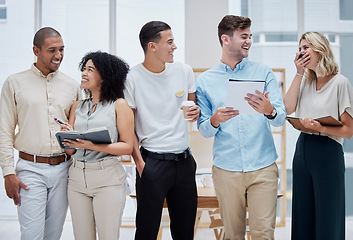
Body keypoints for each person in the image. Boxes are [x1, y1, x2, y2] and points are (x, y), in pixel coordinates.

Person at [196, 15, 286, 239]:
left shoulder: (263, 72)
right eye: (243, 36)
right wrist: (215, 119)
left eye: (250, 36)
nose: (249, 42)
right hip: (227, 170)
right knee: (232, 235)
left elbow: (280, 118)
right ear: (226, 39)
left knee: (263, 234)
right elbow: (204, 129)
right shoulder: (205, 81)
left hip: (263, 166)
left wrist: (269, 110)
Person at [0, 27, 80, 240]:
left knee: (53, 235)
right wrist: (8, 172)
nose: (59, 56)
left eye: (62, 49)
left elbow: (79, 130)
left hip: (64, 169)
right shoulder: (14, 83)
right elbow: (4, 129)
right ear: (36, 50)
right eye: (52, 50)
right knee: (32, 235)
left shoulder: (72, 86)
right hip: (30, 169)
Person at [124, 20, 200, 240]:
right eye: (170, 42)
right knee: (147, 231)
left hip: (185, 163)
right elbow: (128, 127)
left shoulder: (184, 71)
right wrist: (139, 163)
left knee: (185, 232)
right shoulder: (132, 78)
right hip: (152, 163)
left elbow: (194, 109)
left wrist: (195, 113)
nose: (174, 46)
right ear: (152, 46)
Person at [57, 51, 134, 240]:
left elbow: (127, 147)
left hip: (107, 179)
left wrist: (91, 145)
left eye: (90, 69)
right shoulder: (77, 106)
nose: (84, 73)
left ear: (104, 76)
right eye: (84, 68)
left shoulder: (119, 105)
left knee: (108, 236)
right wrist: (68, 136)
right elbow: (71, 151)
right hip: (76, 179)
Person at [284, 32, 353, 240]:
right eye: (300, 47)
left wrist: (320, 128)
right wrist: (298, 73)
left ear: (320, 49)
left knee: (328, 219)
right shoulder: (304, 81)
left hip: (328, 152)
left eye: (306, 47)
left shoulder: (340, 83)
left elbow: (349, 130)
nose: (302, 52)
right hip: (303, 149)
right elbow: (287, 107)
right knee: (302, 216)